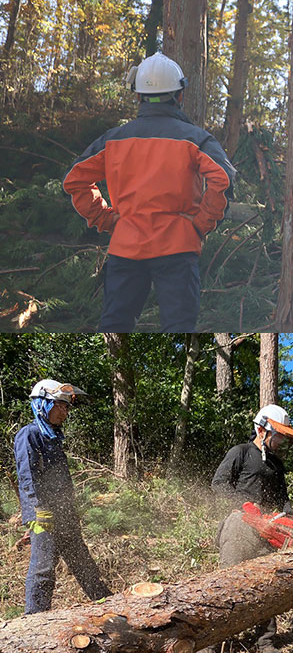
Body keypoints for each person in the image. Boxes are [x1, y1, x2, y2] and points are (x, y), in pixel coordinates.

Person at [63, 52, 235, 333]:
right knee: (179, 328)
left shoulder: (115, 139)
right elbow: (223, 179)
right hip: (178, 247)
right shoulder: (195, 138)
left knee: (115, 326)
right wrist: (200, 225)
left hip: (126, 247)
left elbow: (75, 180)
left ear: (139, 97)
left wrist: (107, 219)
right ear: (179, 96)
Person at [195, 404, 293, 653]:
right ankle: (209, 646)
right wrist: (244, 504)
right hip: (240, 525)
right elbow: (218, 483)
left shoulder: (276, 464)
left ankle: (265, 640)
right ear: (262, 429)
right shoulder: (241, 452)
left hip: (266, 529)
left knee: (268, 584)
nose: (281, 440)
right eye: (278, 435)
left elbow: (283, 499)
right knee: (227, 585)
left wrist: (292, 516)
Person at [14, 380, 113, 614]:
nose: (65, 411)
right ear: (43, 404)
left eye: (67, 407)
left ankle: (106, 603)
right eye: (61, 405)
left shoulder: (54, 437)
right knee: (44, 566)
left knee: (81, 560)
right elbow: (27, 476)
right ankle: (35, 619)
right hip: (43, 514)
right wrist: (38, 511)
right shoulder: (30, 434)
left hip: (64, 512)